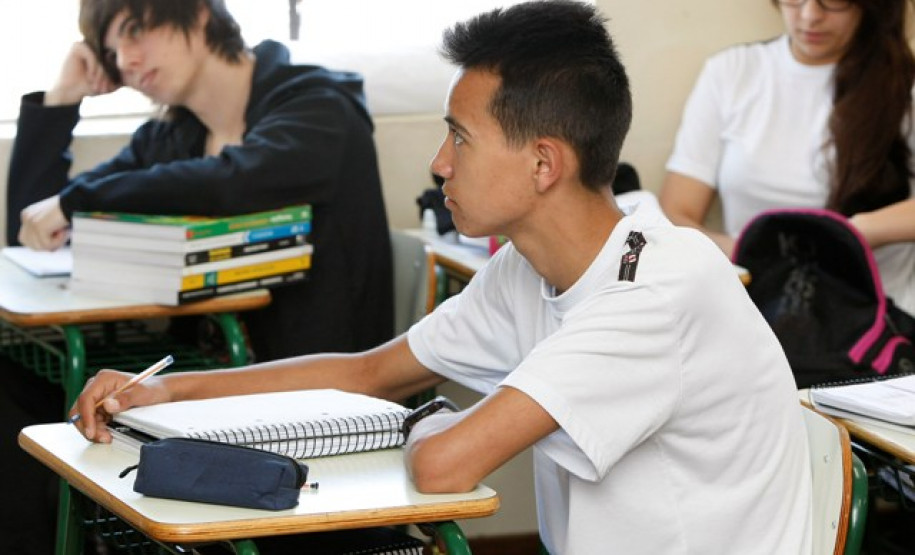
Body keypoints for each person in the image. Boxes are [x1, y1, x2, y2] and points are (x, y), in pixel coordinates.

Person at [72, 2, 813, 553]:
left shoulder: (655, 288)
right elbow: (369, 372)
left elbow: (442, 464)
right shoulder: (528, 265)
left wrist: (429, 417)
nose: (438, 163)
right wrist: (163, 390)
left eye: (459, 136)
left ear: (543, 163)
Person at [3, 1, 392, 552]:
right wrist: (62, 100)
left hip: (307, 406)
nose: (127, 61)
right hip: (195, 391)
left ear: (201, 15)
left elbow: (232, 182)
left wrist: (78, 198)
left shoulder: (317, 104)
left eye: (137, 32)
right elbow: (38, 225)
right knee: (14, 391)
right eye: (113, 51)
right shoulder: (173, 136)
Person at [659, 0, 915, 315]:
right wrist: (751, 254)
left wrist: (853, 234)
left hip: (875, 320)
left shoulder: (903, 84)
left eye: (832, 1)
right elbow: (676, 211)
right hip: (759, 309)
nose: (810, 15)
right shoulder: (732, 71)